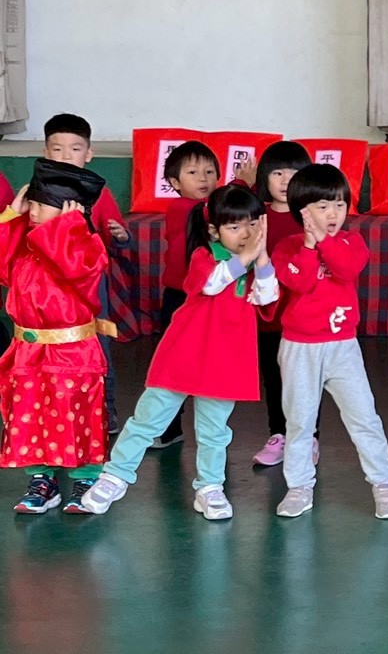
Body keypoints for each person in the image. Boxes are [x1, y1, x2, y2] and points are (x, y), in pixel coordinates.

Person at [80, 185, 279, 520]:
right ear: (214, 231)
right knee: (148, 419)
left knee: (215, 430)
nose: (245, 234)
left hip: (225, 362)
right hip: (183, 355)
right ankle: (115, 476)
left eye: (252, 225)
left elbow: (268, 296)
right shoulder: (204, 256)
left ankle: (210, 487)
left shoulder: (253, 266)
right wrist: (246, 257)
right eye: (234, 226)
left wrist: (261, 257)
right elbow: (212, 283)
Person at [271, 164, 388, 520]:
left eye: (340, 205)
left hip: (343, 346)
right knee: (299, 421)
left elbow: (346, 270)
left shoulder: (351, 242)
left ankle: (383, 482)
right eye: (323, 206)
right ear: (302, 211)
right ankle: (299, 486)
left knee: (364, 416)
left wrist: (324, 242)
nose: (333, 214)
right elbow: (300, 282)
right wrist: (309, 245)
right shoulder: (287, 247)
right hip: (299, 348)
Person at [0, 160, 109, 513]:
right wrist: (10, 218)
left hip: (72, 351)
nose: (32, 211)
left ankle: (86, 478)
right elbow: (3, 265)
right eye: (31, 203)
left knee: (76, 414)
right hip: (28, 351)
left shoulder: (84, 246)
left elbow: (73, 269)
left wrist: (69, 227)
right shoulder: (27, 247)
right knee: (29, 415)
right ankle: (42, 479)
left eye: (39, 204)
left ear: (67, 211)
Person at [43, 113, 132, 435]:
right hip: (49, 287)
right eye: (57, 149)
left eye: (75, 148)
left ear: (89, 153)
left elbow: (115, 238)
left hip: (91, 285)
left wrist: (121, 236)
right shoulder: (39, 191)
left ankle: (105, 410)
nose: (66, 156)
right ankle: (56, 412)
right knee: (52, 350)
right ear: (45, 152)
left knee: (97, 345)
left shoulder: (98, 192)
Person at [248, 140, 318, 467]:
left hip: (304, 318)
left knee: (305, 381)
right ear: (264, 176)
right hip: (268, 317)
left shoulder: (311, 216)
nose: (286, 180)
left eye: (294, 173)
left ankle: (309, 437)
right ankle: (278, 434)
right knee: (274, 379)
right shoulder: (256, 216)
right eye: (277, 173)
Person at [150, 140, 223, 450]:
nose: (203, 178)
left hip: (209, 297)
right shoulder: (181, 208)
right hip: (179, 297)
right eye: (193, 172)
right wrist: (240, 186)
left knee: (210, 364)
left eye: (210, 171)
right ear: (175, 182)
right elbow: (209, 212)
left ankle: (211, 432)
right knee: (173, 363)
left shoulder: (212, 207)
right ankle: (169, 428)